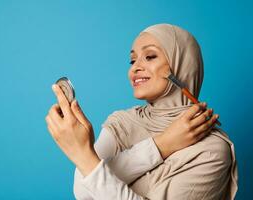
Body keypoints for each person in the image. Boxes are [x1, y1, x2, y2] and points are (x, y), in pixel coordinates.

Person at [45, 23, 238, 200]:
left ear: (183, 65)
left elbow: (90, 175)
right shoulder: (122, 122)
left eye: (150, 56)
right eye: (132, 60)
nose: (135, 68)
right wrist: (161, 146)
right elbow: (83, 193)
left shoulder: (211, 151)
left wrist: (84, 155)